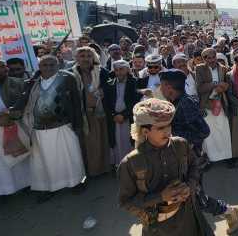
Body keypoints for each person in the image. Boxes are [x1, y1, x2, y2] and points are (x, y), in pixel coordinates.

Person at [118, 98, 238, 236]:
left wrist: (189, 186)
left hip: (190, 219)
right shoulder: (131, 163)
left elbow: (194, 167)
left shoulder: (181, 145)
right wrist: (161, 196)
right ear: (145, 132)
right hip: (158, 228)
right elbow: (126, 202)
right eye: (161, 128)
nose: (168, 131)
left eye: (169, 125)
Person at [11, 55, 86, 202]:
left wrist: (78, 124)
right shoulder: (33, 82)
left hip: (63, 126)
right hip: (39, 129)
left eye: (52, 65)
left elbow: (76, 102)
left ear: (58, 65)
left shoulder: (67, 78)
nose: (49, 68)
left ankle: (76, 183)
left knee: (70, 157)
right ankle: (48, 187)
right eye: (45, 65)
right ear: (39, 67)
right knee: (44, 161)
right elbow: (24, 98)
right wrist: (14, 110)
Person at [0, 58, 30, 200]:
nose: (7, 69)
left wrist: (11, 115)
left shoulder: (17, 83)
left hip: (16, 127)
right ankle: (4, 191)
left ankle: (27, 185)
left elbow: (25, 102)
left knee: (21, 159)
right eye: (2, 66)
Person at [71, 46, 112, 177]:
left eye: (89, 56)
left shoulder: (102, 72)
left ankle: (105, 169)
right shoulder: (72, 74)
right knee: (89, 145)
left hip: (101, 114)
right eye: (82, 56)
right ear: (76, 58)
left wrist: (103, 91)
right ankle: (91, 171)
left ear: (93, 57)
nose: (86, 59)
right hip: (84, 115)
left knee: (103, 142)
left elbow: (111, 88)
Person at [195, 48, 233, 162]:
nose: (211, 60)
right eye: (207, 58)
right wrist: (215, 84)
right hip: (207, 103)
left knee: (224, 130)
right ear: (203, 59)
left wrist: (224, 87)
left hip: (221, 102)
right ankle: (211, 158)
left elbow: (229, 85)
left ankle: (226, 156)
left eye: (213, 57)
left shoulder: (223, 68)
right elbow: (200, 88)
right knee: (210, 133)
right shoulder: (199, 69)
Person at [103, 60, 141, 166]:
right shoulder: (109, 84)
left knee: (130, 141)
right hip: (115, 120)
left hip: (129, 118)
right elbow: (106, 104)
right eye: (116, 70)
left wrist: (124, 115)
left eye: (121, 69)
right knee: (117, 142)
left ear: (127, 70)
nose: (119, 72)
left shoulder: (135, 82)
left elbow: (136, 102)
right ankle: (120, 165)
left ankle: (133, 165)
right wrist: (114, 115)